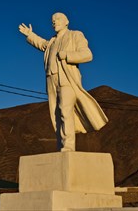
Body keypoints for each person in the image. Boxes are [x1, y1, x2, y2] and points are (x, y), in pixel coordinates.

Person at [19, 12, 108, 152]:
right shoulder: (52, 41)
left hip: (67, 79)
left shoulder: (75, 35)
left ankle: (68, 146)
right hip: (51, 80)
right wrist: (30, 35)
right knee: (56, 114)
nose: (54, 22)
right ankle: (61, 145)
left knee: (65, 110)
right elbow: (42, 44)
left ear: (66, 22)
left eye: (58, 19)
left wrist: (68, 55)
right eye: (53, 20)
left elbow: (87, 54)